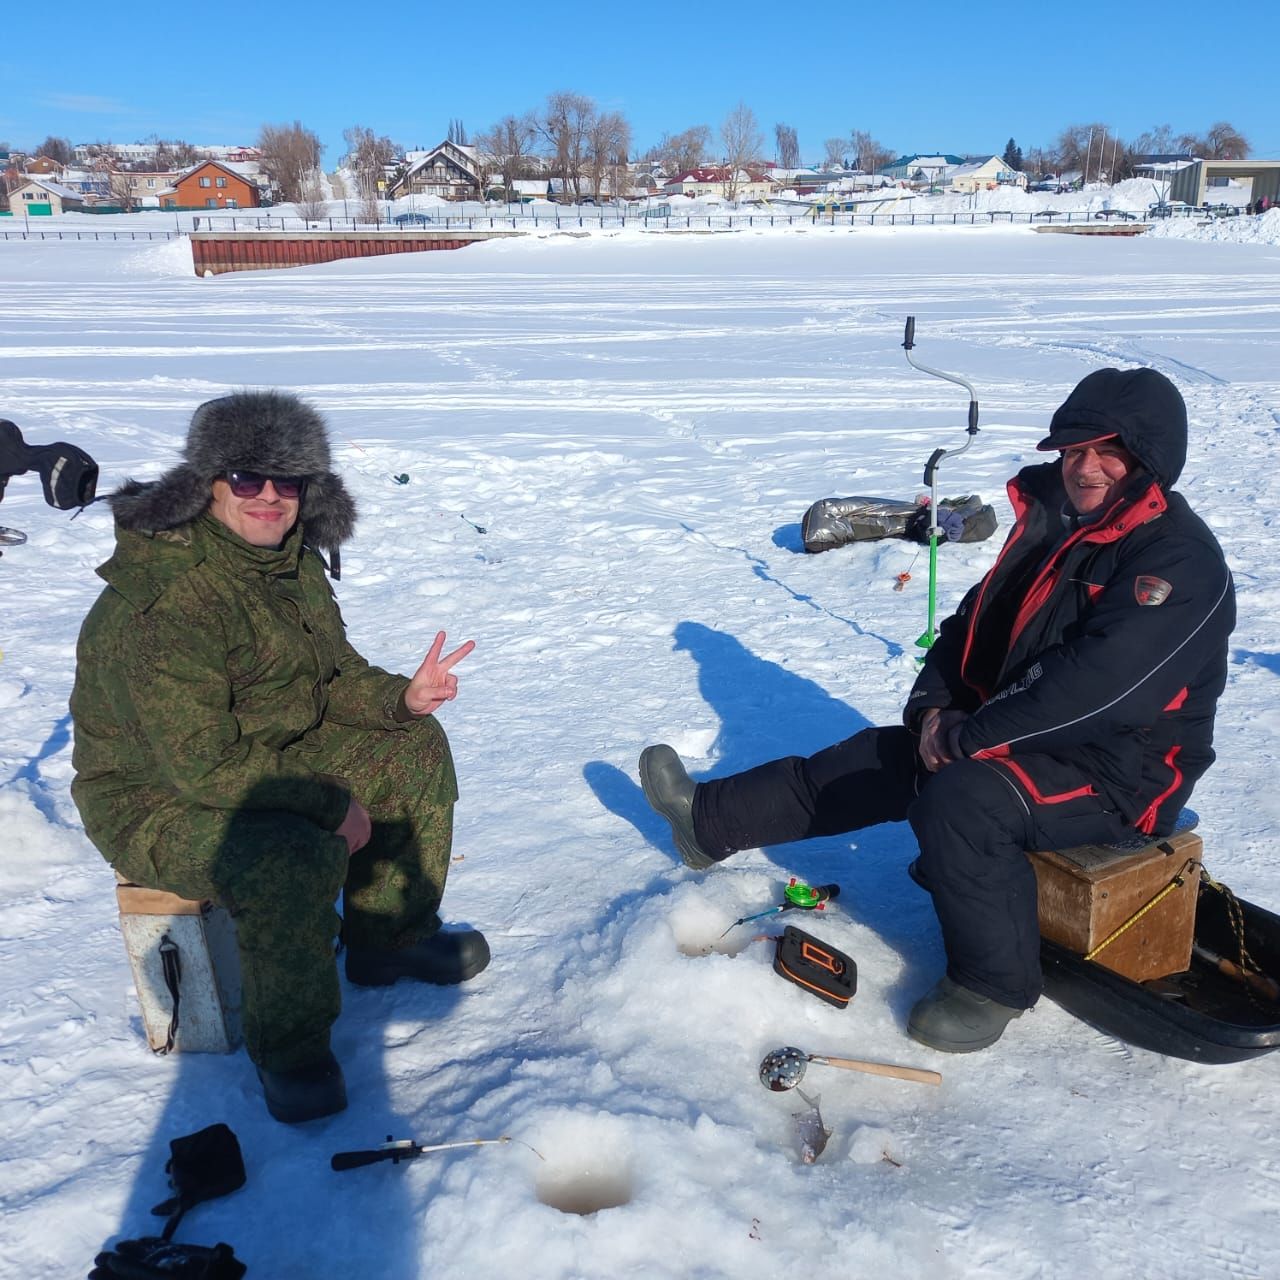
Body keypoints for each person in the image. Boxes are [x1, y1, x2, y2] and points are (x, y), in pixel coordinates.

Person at [640, 367, 1234, 1054]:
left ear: (1150, 463)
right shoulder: (1059, 527)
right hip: (1027, 733)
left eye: (1109, 452)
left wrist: (967, 738)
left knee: (965, 798)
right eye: (1074, 450)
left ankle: (994, 984)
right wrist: (932, 713)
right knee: (883, 756)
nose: (1086, 467)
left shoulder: (1177, 565)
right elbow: (970, 626)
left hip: (1123, 771)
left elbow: (1098, 689)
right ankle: (707, 821)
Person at [70, 390, 487, 1123]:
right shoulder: (172, 597)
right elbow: (200, 766)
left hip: (265, 749)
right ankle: (290, 1050)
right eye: (247, 478)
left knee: (410, 746)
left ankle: (387, 936)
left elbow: (330, 680)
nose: (269, 497)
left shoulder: (286, 563)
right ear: (206, 484)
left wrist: (400, 699)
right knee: (289, 852)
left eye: (287, 482)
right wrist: (333, 804)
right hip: (154, 796)